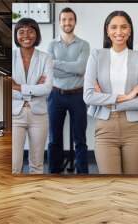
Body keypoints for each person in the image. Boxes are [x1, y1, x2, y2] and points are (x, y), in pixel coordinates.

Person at [83, 11, 138, 174]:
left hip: (134, 129)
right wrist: (128, 96)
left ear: (130, 30)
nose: (119, 32)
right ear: (107, 31)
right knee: (110, 185)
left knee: (132, 186)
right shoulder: (96, 55)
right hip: (105, 129)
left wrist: (107, 100)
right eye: (114, 27)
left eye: (124, 27)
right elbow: (88, 96)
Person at [47, 7, 90, 174]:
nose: (67, 22)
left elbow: (81, 68)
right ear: (59, 22)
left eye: (70, 19)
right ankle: (54, 174)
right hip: (55, 95)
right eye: (64, 19)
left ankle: (82, 175)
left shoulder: (84, 45)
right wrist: (69, 68)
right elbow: (51, 71)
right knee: (54, 140)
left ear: (75, 22)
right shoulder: (51, 45)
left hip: (78, 95)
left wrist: (57, 63)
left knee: (80, 139)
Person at [12, 18, 53, 174]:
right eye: (21, 31)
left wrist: (17, 86)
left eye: (30, 31)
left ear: (37, 34)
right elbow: (7, 89)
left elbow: (47, 88)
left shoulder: (45, 58)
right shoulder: (12, 57)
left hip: (38, 115)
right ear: (16, 35)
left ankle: (35, 196)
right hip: (15, 115)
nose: (26, 35)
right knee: (14, 165)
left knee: (37, 164)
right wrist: (35, 88)